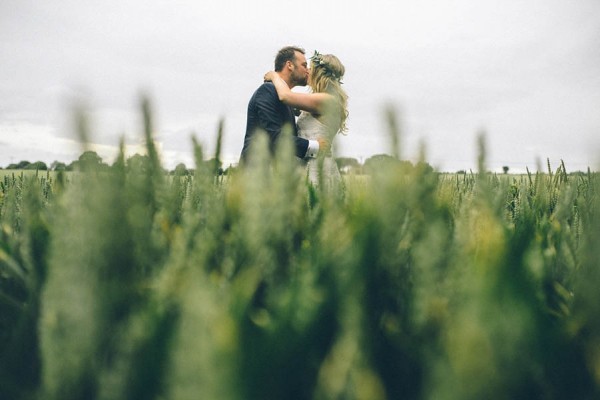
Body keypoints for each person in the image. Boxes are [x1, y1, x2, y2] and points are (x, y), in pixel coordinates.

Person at [263, 50, 348, 191]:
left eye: (311, 68)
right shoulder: (320, 99)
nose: (307, 71)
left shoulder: (326, 100)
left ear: (319, 73)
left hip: (317, 167)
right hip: (306, 163)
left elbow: (285, 96)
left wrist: (274, 76)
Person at [239, 46, 329, 164]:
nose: (308, 70)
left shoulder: (286, 98)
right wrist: (315, 146)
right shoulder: (267, 90)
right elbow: (273, 135)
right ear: (290, 65)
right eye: (304, 65)